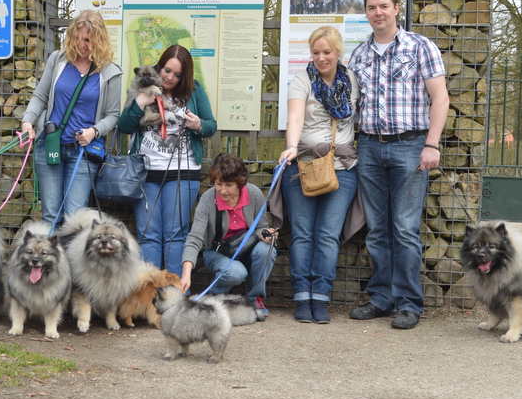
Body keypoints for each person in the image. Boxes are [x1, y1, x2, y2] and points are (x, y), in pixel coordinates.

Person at [346, 0, 449, 330]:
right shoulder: (358, 55)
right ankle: (381, 297)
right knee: (377, 230)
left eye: (384, 6)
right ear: (366, 12)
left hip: (410, 146)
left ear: (396, 8)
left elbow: (440, 98)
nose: (378, 12)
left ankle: (408, 302)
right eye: (372, 7)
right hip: (370, 146)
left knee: (404, 229)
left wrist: (431, 144)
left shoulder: (421, 47)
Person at [278, 26, 360, 325]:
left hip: (342, 169)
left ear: (338, 52)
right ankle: (302, 296)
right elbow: (296, 116)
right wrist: (290, 147)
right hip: (303, 166)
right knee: (302, 234)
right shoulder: (302, 80)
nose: (321, 58)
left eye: (327, 52)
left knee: (327, 236)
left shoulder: (352, 79)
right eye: (316, 52)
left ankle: (320, 297)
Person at [118, 44, 217, 275]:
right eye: (166, 71)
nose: (170, 77)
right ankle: (150, 294)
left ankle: (176, 294)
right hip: (145, 172)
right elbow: (124, 126)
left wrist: (198, 124)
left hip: (184, 172)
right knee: (148, 234)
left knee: (176, 234)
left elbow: (211, 125)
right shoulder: (140, 89)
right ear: (159, 67)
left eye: (177, 74)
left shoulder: (194, 91)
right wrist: (141, 101)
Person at [21, 10, 123, 226]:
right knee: (50, 216)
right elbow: (40, 96)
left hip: (82, 151)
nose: (81, 45)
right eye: (77, 38)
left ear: (99, 40)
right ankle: (52, 261)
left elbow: (113, 115)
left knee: (74, 219)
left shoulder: (110, 73)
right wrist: (27, 121)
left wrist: (94, 131)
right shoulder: (57, 60)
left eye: (87, 40)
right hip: (50, 145)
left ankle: (70, 260)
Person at [180, 153, 277, 316]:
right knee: (236, 272)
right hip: (218, 252)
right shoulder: (208, 200)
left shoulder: (254, 194)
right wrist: (186, 273)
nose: (222, 191)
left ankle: (256, 298)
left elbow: (261, 227)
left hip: (248, 250)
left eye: (228, 185)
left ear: (239, 183)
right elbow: (195, 238)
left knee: (267, 249)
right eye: (218, 184)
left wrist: (266, 234)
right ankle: (213, 297)